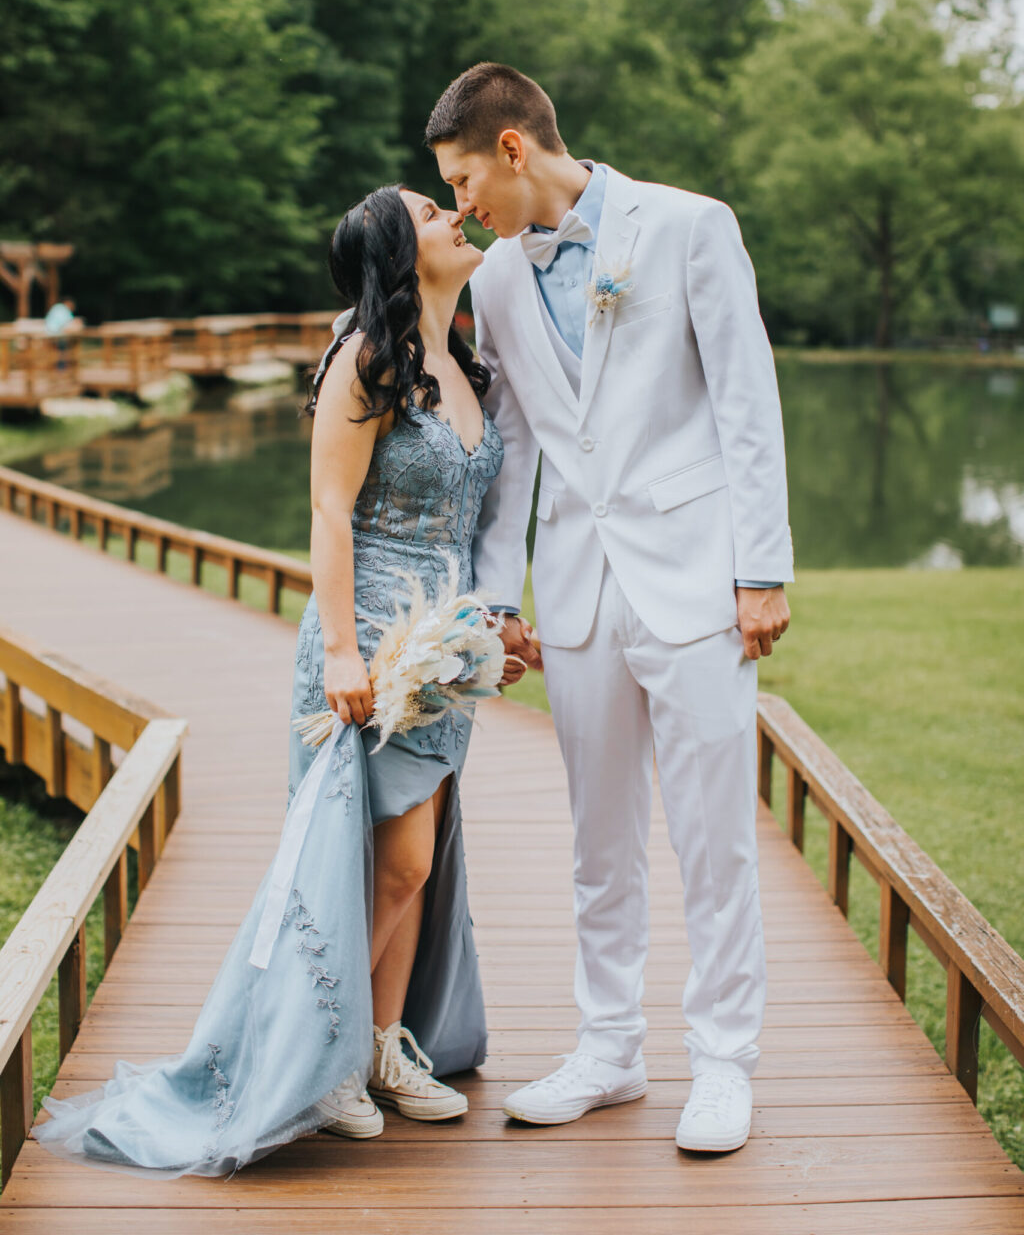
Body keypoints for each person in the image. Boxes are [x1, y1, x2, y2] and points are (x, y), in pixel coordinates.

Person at [33, 186, 521, 1177]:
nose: (452, 220)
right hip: (371, 641)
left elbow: (477, 522)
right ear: (396, 253)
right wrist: (342, 650)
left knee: (414, 849)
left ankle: (382, 1047)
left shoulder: (465, 364)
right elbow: (330, 511)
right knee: (386, 860)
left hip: (442, 646)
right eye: (430, 213)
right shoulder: (365, 357)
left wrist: (491, 626)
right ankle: (321, 1057)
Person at [426, 63, 793, 1155]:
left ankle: (723, 1063)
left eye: (459, 180)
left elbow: (744, 395)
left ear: (510, 149)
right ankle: (609, 1048)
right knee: (599, 836)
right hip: (579, 589)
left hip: (694, 581)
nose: (457, 208)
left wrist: (759, 568)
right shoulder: (493, 281)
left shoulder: (688, 226)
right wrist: (497, 601)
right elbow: (520, 448)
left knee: (713, 838)